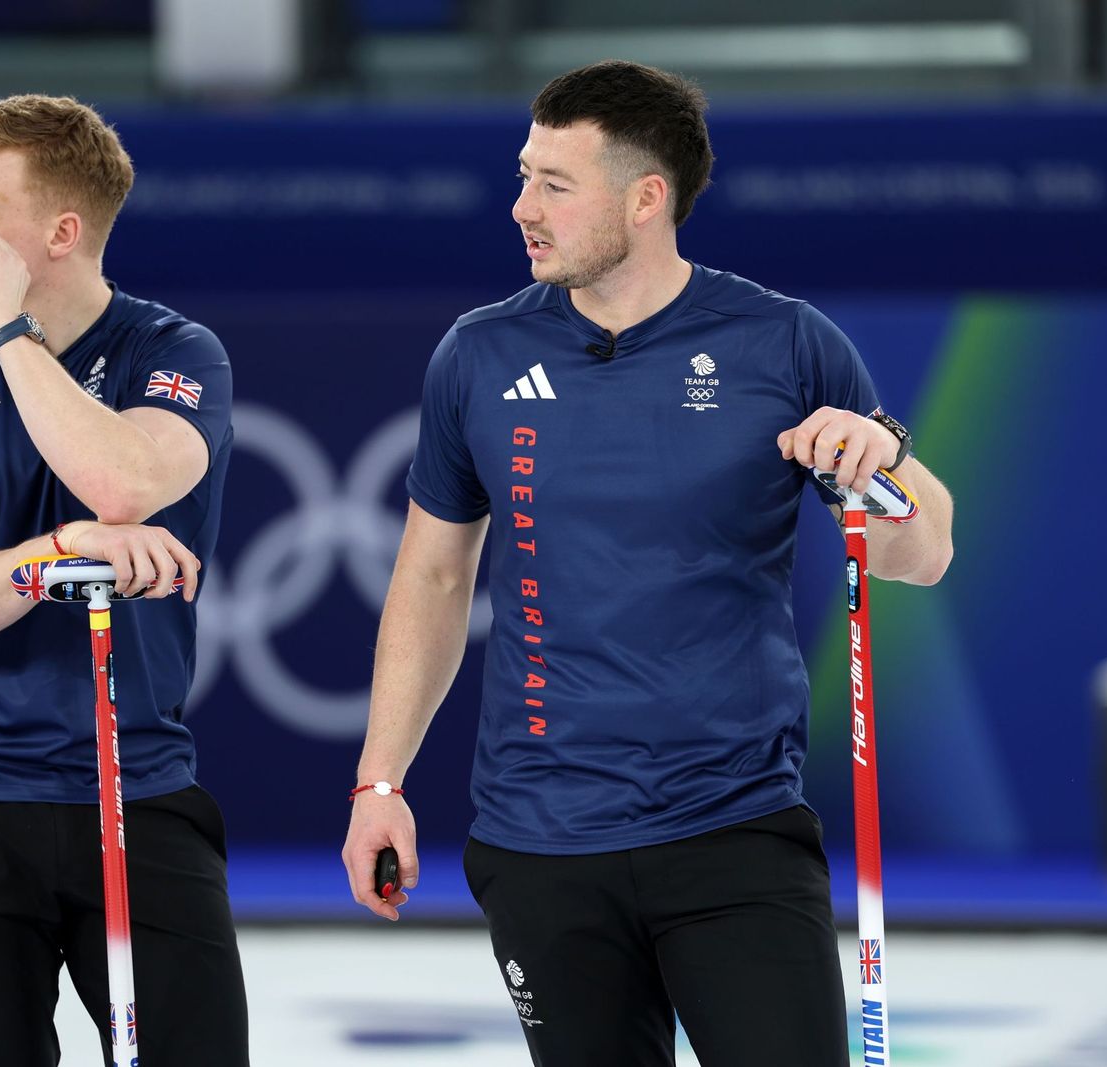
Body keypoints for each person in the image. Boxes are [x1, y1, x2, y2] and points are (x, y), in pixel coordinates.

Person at [341, 60, 953, 1066]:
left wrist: (883, 459)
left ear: (645, 197)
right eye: (523, 176)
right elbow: (433, 575)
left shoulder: (784, 342)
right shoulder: (478, 354)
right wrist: (379, 782)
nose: (520, 208)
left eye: (553, 184)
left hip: (733, 828)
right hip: (539, 838)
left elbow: (917, 551)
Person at [0, 94, 248, 1067]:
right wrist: (58, 552)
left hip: (134, 787)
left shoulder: (174, 353)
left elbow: (122, 482)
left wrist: (11, 332)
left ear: (61, 232)